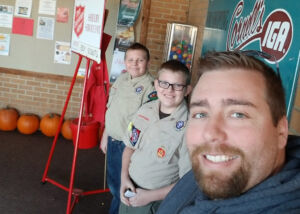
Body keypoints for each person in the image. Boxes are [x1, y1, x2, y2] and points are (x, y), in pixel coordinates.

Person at [156, 51, 300, 213]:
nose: (210, 133)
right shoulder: (207, 171)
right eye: (201, 114)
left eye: (238, 114)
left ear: (281, 132)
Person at [119, 60, 192, 214]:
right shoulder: (145, 110)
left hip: (155, 202)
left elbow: (187, 183)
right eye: (164, 83)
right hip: (128, 189)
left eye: (178, 86)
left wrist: (149, 196)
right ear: (157, 84)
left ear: (187, 90)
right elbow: (129, 147)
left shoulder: (190, 127)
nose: (170, 90)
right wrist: (124, 178)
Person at [101, 42, 157, 214]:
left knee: (123, 187)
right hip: (112, 140)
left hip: (127, 146)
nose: (135, 63)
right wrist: (105, 135)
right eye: (131, 59)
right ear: (124, 62)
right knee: (113, 183)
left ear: (148, 63)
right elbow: (112, 109)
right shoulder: (122, 78)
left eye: (140, 60)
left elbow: (148, 123)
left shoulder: (150, 87)